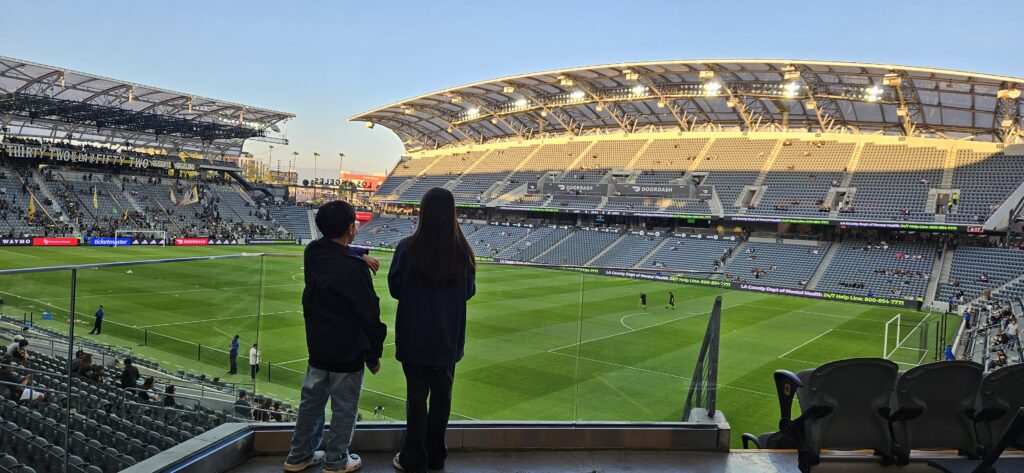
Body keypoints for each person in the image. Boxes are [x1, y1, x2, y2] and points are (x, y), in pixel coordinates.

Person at [284, 200, 386, 473]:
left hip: (318, 346)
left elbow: (333, 252)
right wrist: (374, 355)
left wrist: (359, 254)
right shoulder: (354, 269)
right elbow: (369, 314)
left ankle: (298, 456)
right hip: (347, 351)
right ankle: (336, 460)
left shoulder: (312, 253)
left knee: (311, 404)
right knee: (344, 409)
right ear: (350, 228)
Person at [389, 188, 476, 473]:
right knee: (442, 400)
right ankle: (436, 456)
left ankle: (414, 457)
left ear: (423, 212)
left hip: (414, 338)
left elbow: (395, 288)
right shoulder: (462, 252)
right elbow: (468, 291)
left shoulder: (407, 248)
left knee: (416, 400)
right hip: (447, 339)